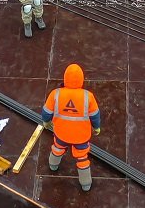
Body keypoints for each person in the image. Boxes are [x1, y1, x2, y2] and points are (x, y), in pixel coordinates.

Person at [41, 63, 101, 192]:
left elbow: (46, 112)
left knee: (57, 148)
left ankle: (53, 165)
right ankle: (86, 184)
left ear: (65, 78)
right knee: (82, 157)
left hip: (61, 133)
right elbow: (95, 115)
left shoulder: (56, 94)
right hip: (81, 137)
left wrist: (46, 122)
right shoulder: (87, 96)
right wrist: (96, 127)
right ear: (81, 79)